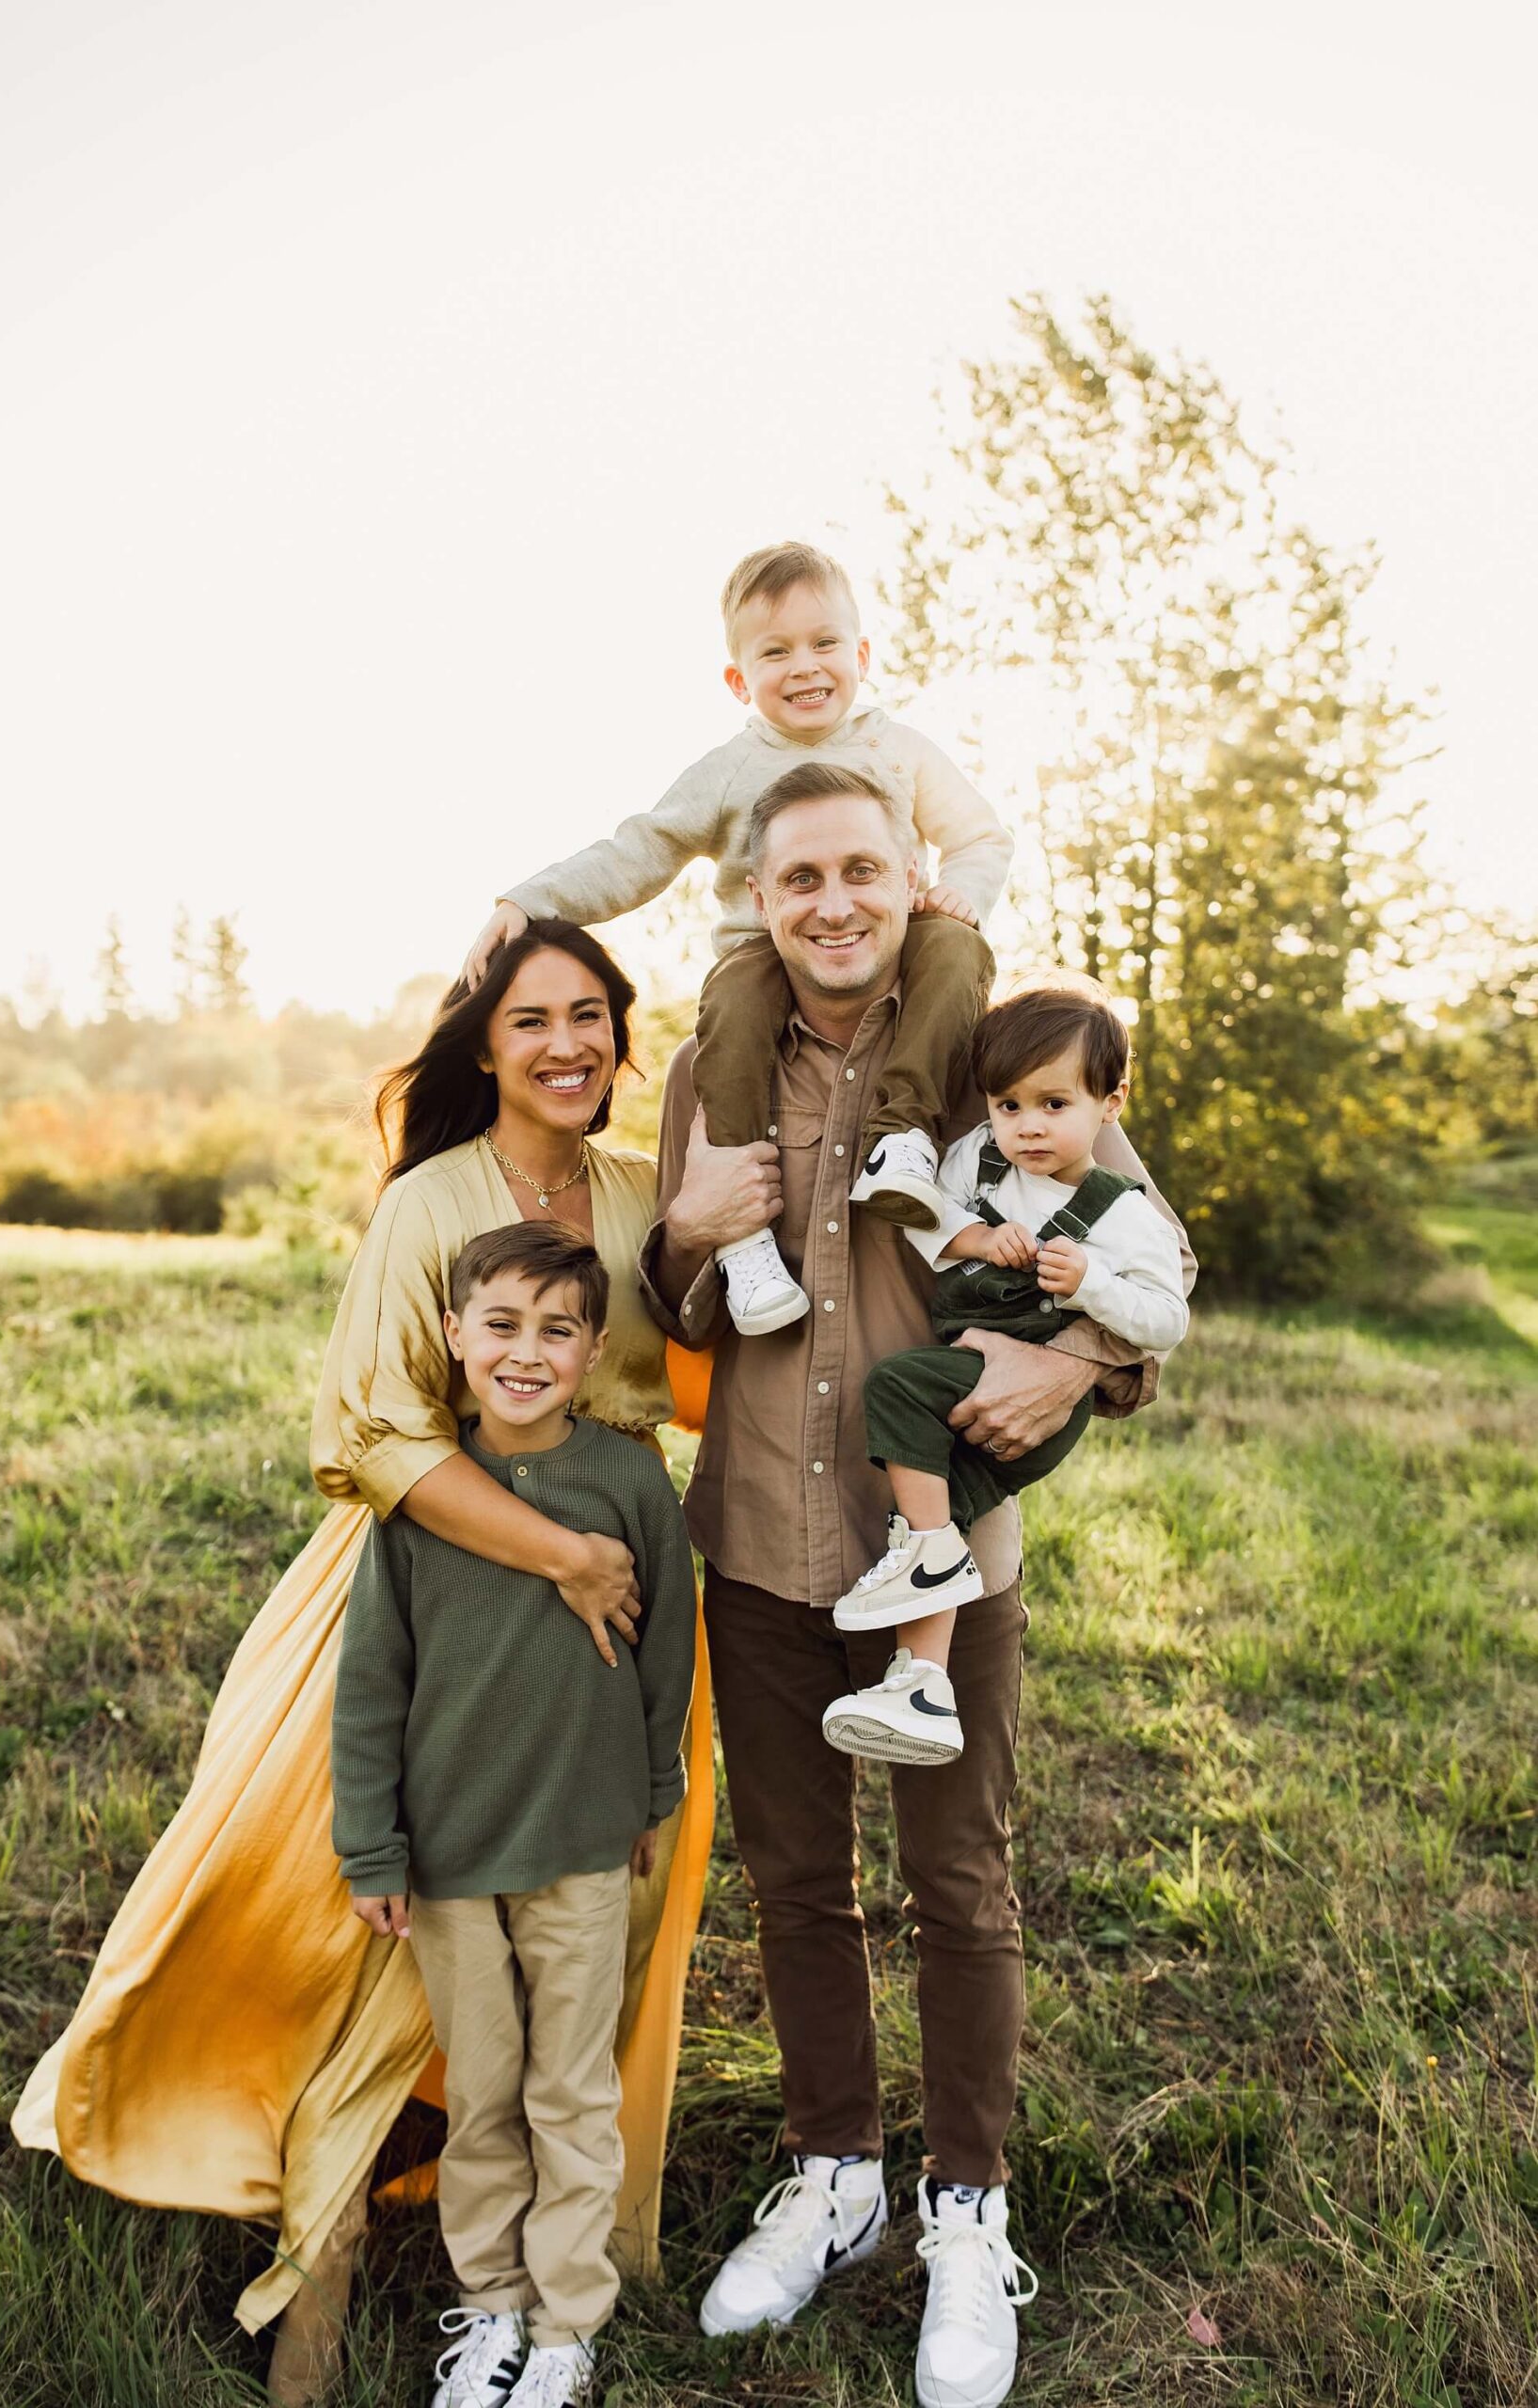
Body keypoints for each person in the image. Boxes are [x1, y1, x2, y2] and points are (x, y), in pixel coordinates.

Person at [11, 923, 715, 2405]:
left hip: (611, 1623)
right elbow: (374, 1436)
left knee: (575, 1968)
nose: (566, 1045)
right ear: (483, 1044)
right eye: (532, 1020)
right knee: (358, 1940)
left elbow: (705, 1375)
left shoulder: (649, 1198)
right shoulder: (428, 1204)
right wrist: (556, 1556)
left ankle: (557, 2301)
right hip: (425, 1585)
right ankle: (329, 2263)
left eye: (590, 1015)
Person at [641, 765, 1194, 2408]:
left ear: (911, 884)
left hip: (938, 1553)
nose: (830, 902)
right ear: (758, 896)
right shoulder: (705, 1072)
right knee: (795, 1883)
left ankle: (966, 2204)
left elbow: (1146, 1239)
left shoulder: (991, 1058)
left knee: (960, 1889)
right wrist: (682, 1230)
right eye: (797, 874)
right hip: (750, 1534)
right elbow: (675, 1306)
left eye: (859, 872)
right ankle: (834, 2172)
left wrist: (1084, 1355)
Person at [462, 539, 1011, 1337]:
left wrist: (961, 892)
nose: (805, 666)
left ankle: (903, 1144)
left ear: (860, 653)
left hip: (892, 949)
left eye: (825, 643)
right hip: (765, 958)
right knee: (733, 1009)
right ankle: (746, 1241)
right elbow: (642, 848)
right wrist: (533, 898)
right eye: (775, 651)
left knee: (959, 951)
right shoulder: (727, 769)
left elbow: (981, 837)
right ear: (738, 679)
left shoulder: (899, 750)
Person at [332, 1221, 696, 2408]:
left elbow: (669, 1656)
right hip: (446, 1858)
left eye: (556, 1330)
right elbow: (373, 1683)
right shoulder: (427, 1497)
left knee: (571, 2090)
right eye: (501, 1324)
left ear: (593, 1348)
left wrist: (653, 1794)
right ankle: (489, 2304)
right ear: (455, 1336)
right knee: (484, 2092)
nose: (527, 1351)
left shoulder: (631, 1480)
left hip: (587, 1846)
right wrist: (372, 1845)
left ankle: (566, 2327)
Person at [822, 974, 1190, 1766]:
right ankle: (920, 1685)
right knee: (946, 1508)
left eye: (1053, 1105)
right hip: (969, 1375)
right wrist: (975, 1241)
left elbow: (1168, 1318)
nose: (1026, 1126)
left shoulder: (1122, 1213)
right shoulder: (976, 1163)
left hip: (1043, 1409)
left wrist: (1091, 1283)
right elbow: (924, 1218)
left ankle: (923, 1554)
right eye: (1008, 1105)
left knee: (893, 1384)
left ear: (1109, 1103)